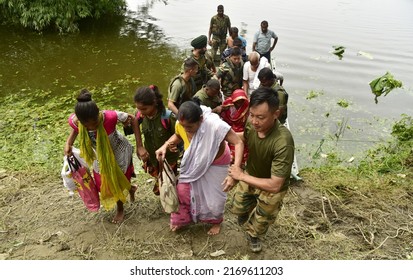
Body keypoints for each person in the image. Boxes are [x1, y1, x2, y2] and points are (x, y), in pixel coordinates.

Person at [155, 100, 244, 235]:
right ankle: (183, 219)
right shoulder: (181, 123)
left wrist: (236, 169)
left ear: (201, 120)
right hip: (195, 163)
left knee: (215, 199)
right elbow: (178, 135)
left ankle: (216, 221)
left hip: (217, 163)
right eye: (184, 126)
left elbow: (238, 142)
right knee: (183, 191)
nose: (186, 129)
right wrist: (166, 145)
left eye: (190, 127)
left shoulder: (215, 125)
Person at [227, 87, 295, 253]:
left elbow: (275, 185)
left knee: (262, 219)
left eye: (261, 117)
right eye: (252, 115)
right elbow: (243, 138)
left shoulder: (283, 142)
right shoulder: (252, 124)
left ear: (276, 114)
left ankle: (254, 235)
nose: (254, 121)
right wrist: (222, 137)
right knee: (238, 208)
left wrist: (240, 175)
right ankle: (246, 212)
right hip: (251, 173)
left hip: (271, 186)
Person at [64, 89, 137, 224]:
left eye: (95, 123)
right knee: (102, 184)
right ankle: (131, 188)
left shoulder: (110, 117)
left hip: (119, 152)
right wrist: (68, 143)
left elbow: (132, 119)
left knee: (115, 182)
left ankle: (120, 209)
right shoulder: (76, 122)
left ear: (98, 113)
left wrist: (140, 145)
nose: (92, 127)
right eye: (87, 125)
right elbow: (75, 130)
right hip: (100, 156)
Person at [133, 85, 179, 195]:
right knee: (158, 177)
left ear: (154, 103)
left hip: (168, 158)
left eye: (144, 109)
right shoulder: (141, 115)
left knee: (169, 181)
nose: (141, 111)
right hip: (152, 156)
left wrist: (172, 145)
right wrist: (139, 146)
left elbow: (179, 134)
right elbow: (134, 122)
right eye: (138, 108)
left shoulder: (167, 117)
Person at [221, 89, 249, 166]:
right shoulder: (228, 105)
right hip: (230, 128)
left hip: (241, 129)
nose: (239, 103)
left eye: (241, 101)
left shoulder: (247, 107)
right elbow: (223, 115)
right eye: (237, 101)